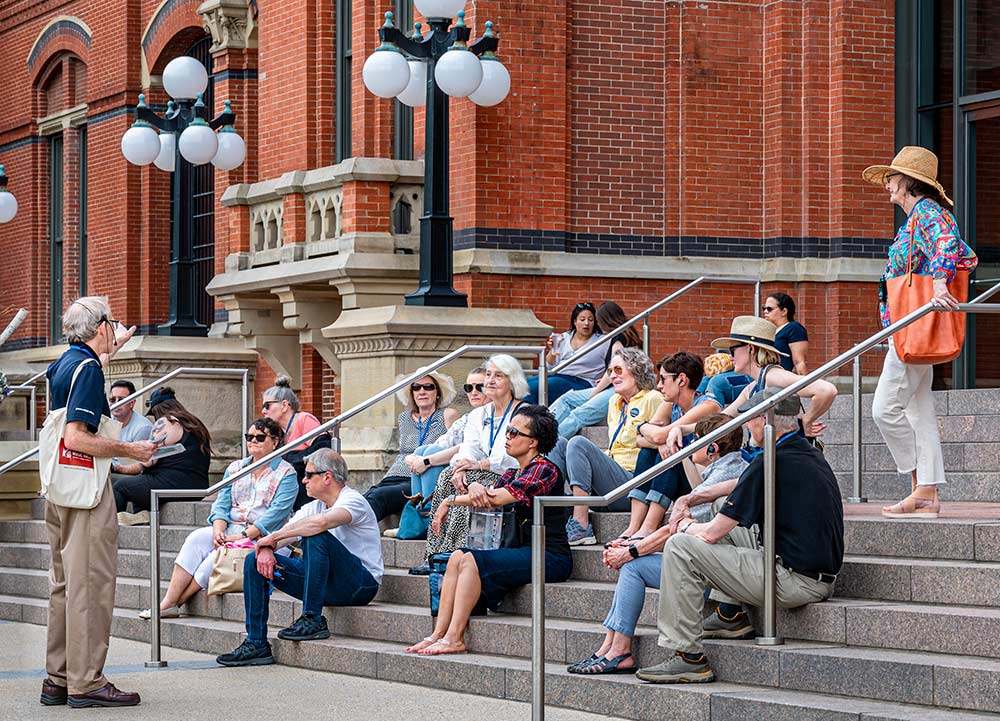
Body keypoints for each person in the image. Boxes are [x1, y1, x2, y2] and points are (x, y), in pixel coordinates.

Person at [636, 387, 844, 684]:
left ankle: (688, 658)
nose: (746, 426)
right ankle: (730, 614)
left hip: (795, 581)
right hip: (814, 573)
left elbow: (710, 534)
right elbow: (741, 482)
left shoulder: (769, 461)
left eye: (749, 419)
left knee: (682, 548)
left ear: (763, 420)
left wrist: (681, 526)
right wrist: (693, 498)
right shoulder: (803, 452)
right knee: (722, 504)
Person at [41, 296, 156, 708]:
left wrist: (114, 345)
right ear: (100, 326)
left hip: (61, 489)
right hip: (87, 493)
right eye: (111, 324)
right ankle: (87, 682)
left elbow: (85, 374)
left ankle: (58, 677)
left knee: (64, 586)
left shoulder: (66, 362)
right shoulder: (88, 369)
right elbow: (76, 436)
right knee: (90, 585)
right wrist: (132, 450)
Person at [567, 414, 746, 675]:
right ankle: (610, 646)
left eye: (696, 441)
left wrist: (632, 550)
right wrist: (682, 451)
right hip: (709, 565)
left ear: (712, 449)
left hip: (717, 575)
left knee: (633, 566)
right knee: (633, 567)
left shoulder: (725, 476)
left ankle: (618, 650)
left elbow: (676, 528)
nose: (692, 444)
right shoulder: (724, 469)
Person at [862, 146, 977, 519]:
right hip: (909, 328)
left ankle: (919, 483)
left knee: (884, 409)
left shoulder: (927, 212)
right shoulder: (917, 219)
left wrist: (940, 283)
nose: (888, 186)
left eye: (892, 179)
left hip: (913, 327)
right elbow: (966, 252)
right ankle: (926, 492)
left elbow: (950, 244)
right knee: (918, 411)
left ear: (909, 182)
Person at [404, 405, 571, 656]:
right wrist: (471, 490)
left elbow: (496, 498)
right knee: (458, 555)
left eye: (515, 433)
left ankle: (454, 637)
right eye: (508, 430)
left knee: (471, 559)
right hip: (522, 549)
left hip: (550, 556)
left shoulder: (544, 470)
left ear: (533, 442)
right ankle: (438, 633)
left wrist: (451, 501)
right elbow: (484, 496)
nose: (508, 436)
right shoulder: (515, 472)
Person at [217, 448, 383, 666]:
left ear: (327, 477)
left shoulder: (353, 500)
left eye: (308, 475)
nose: (304, 480)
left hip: (360, 585)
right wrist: (267, 548)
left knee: (315, 536)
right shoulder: (313, 507)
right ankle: (256, 642)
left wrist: (273, 537)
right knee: (253, 560)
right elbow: (286, 535)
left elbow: (321, 524)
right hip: (325, 583)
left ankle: (312, 619)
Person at [138, 417, 298, 618]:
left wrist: (240, 536)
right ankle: (168, 603)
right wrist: (218, 530)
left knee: (214, 559)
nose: (253, 441)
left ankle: (172, 604)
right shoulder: (236, 468)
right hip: (231, 528)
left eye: (260, 437)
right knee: (195, 538)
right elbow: (221, 504)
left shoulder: (286, 473)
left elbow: (276, 516)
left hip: (265, 537)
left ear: (275, 442)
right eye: (249, 437)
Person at [411, 354, 529, 574]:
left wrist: (481, 465)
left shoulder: (523, 413)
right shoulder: (479, 414)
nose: (490, 381)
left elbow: (513, 457)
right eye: (489, 375)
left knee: (471, 481)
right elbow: (468, 446)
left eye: (499, 376)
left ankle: (452, 555)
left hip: (507, 474)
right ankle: (433, 555)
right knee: (448, 476)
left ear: (512, 381)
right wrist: (460, 467)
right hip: (477, 470)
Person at [665, 316, 837, 454]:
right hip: (773, 460)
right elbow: (722, 421)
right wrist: (681, 428)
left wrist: (807, 421)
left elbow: (826, 390)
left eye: (732, 350)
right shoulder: (753, 386)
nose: (730, 357)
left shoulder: (773, 375)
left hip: (790, 461)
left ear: (750, 349)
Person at [549, 347, 663, 546]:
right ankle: (554, 515)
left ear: (636, 370)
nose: (613, 376)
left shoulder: (652, 398)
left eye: (618, 370)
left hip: (634, 484)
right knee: (559, 444)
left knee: (578, 443)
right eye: (610, 372)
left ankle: (581, 524)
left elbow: (659, 439)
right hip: (609, 485)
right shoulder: (614, 402)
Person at [617, 352, 714, 543]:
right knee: (649, 451)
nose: (659, 385)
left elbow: (657, 434)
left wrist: (646, 428)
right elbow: (639, 440)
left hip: (704, 481)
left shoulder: (707, 406)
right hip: (679, 478)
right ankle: (634, 526)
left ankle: (649, 527)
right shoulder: (671, 404)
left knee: (672, 454)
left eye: (663, 379)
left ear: (681, 380)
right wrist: (651, 434)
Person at [364, 368, 457, 522]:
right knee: (367, 495)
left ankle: (357, 533)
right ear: (412, 393)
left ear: (437, 392)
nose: (422, 391)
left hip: (419, 477)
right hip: (394, 474)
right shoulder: (404, 418)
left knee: (380, 496)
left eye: (428, 387)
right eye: (416, 387)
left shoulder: (448, 415)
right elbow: (403, 452)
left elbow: (454, 448)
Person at [112, 387, 213, 525]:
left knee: (120, 486)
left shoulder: (165, 422)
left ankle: (113, 530)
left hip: (173, 485)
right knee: (139, 483)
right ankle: (142, 515)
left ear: (156, 410)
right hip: (199, 486)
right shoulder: (195, 423)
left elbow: (148, 461)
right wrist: (122, 469)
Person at [550, 301, 642, 438]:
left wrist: (596, 391)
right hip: (616, 386)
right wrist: (607, 380)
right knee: (567, 399)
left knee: (579, 414)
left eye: (597, 320)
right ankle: (541, 430)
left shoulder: (618, 338)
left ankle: (546, 445)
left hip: (622, 390)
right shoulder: (626, 335)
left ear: (606, 320)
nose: (596, 325)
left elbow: (615, 368)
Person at [405, 367, 489, 500]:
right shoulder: (467, 418)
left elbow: (468, 446)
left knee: (430, 452)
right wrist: (413, 457)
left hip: (479, 469)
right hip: (417, 469)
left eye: (480, 387)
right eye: (468, 388)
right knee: (424, 450)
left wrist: (427, 461)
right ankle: (421, 509)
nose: (473, 392)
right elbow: (444, 441)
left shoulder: (491, 416)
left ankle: (427, 510)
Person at [261, 375, 329, 509]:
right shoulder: (278, 432)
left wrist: (288, 458)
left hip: (310, 488)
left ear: (284, 405)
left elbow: (323, 449)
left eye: (267, 406)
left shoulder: (304, 419)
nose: (263, 411)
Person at [526, 302, 604, 404]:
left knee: (536, 387)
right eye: (582, 319)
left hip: (583, 381)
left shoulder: (602, 341)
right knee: (524, 384)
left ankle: (529, 416)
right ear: (575, 321)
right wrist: (552, 352)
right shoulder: (564, 337)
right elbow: (548, 368)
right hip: (559, 375)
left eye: (590, 320)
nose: (586, 323)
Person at [108, 380, 153, 465]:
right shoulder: (107, 420)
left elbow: (138, 465)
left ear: (132, 403)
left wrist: (115, 468)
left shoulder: (143, 428)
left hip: (127, 473)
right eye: (112, 399)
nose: (116, 403)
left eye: (121, 400)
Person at [763, 293, 809, 374]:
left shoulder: (794, 328)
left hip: (782, 380)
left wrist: (804, 385)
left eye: (769, 309)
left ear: (784, 311)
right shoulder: (769, 330)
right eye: (764, 308)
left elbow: (799, 362)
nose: (765, 311)